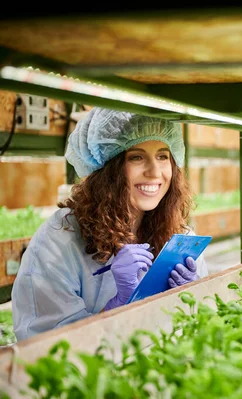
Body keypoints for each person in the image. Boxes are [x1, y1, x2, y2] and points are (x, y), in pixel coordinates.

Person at [11, 108, 208, 341]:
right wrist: (115, 308)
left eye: (163, 156)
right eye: (136, 157)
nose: (155, 172)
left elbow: (200, 328)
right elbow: (47, 344)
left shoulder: (178, 231)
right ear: (107, 168)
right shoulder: (60, 238)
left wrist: (192, 295)